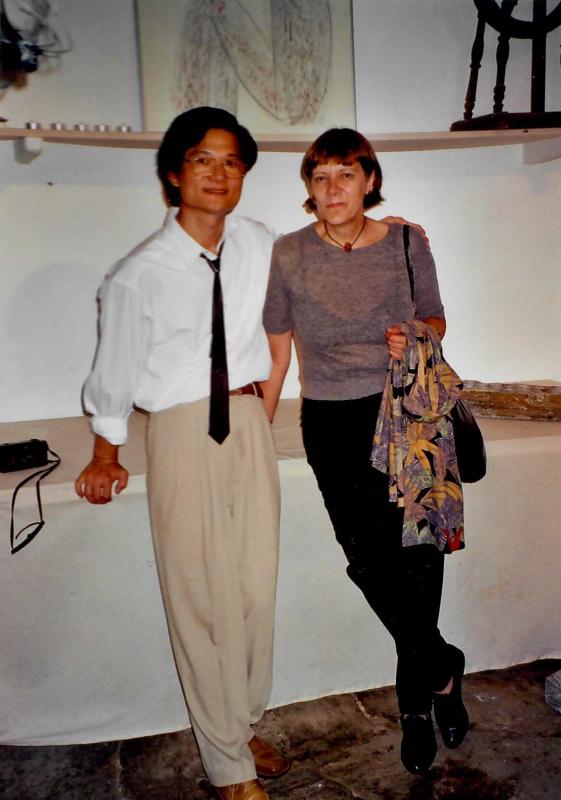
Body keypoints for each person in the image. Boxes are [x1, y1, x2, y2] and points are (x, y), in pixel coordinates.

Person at [75, 107, 291, 800]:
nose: (218, 173)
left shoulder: (262, 243)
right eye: (203, 159)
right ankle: (228, 767)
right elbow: (113, 370)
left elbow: (325, 254)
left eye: (231, 161)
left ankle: (242, 722)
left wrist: (391, 233)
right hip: (180, 429)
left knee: (255, 588)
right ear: (174, 173)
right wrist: (106, 453)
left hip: (248, 421)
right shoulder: (137, 273)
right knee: (201, 598)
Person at [262, 127, 470, 775]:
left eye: (345, 174)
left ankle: (414, 708)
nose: (332, 188)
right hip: (331, 423)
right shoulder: (289, 253)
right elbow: (275, 353)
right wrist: (250, 433)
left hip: (407, 414)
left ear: (369, 180)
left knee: (417, 561)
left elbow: (435, 316)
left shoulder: (406, 242)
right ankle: (442, 668)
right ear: (308, 185)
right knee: (369, 562)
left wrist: (415, 333)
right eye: (320, 176)